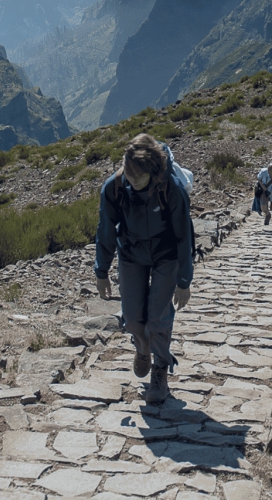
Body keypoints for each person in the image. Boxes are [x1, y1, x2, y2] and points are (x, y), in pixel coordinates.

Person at [94, 133, 194, 403]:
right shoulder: (114, 188)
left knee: (158, 317)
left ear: (153, 171)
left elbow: (185, 235)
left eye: (138, 177)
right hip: (131, 254)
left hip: (166, 256)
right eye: (128, 174)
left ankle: (160, 371)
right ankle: (142, 347)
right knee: (133, 319)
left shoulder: (171, 189)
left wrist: (184, 280)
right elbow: (105, 230)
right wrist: (101, 271)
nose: (132, 180)